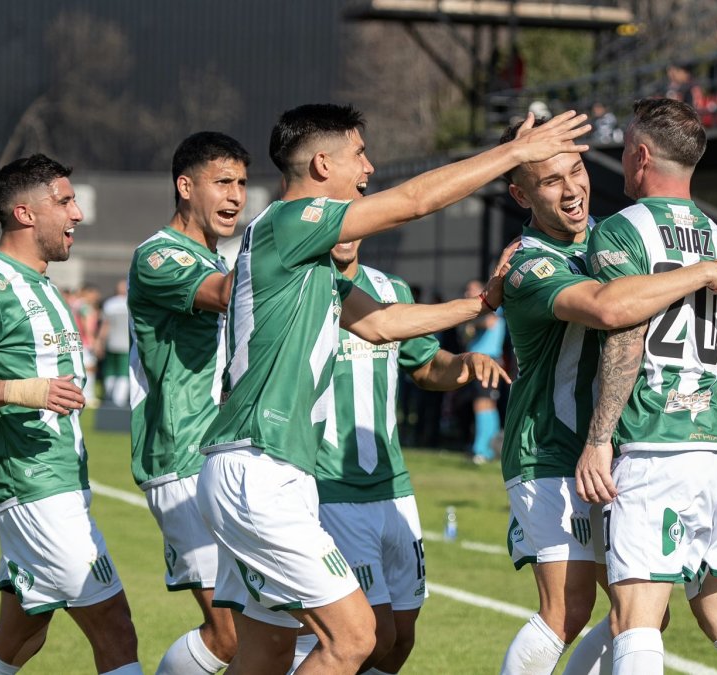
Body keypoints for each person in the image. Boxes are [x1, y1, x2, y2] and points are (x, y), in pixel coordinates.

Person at [196, 103, 593, 675]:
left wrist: (482, 304)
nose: (369, 167)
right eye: (360, 154)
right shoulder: (289, 222)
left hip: (268, 469)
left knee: (266, 652)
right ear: (323, 163)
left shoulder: (306, 256)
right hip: (258, 468)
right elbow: (413, 203)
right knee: (356, 638)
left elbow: (380, 324)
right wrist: (514, 152)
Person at [494, 115, 717, 675]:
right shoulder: (529, 263)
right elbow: (614, 308)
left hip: (624, 447)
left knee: (642, 617)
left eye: (577, 170)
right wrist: (712, 271)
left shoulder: (619, 232)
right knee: (569, 610)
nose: (572, 188)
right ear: (520, 195)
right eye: (550, 181)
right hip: (555, 450)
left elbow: (686, 278)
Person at [577, 97, 717, 675]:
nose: (621, 163)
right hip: (713, 451)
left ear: (642, 157)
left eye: (623, 152)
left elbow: (625, 334)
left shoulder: (623, 230)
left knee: (635, 620)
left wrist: (599, 438)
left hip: (652, 447)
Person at [0, 154, 142, 675]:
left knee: (19, 638)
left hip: (59, 482)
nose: (77, 214)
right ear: (24, 213)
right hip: (35, 489)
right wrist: (23, 390)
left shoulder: (41, 283)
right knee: (116, 628)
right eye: (64, 201)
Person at [293, 237, 511, 674]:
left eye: (354, 218)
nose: (346, 233)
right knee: (366, 634)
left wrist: (465, 363)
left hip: (394, 487)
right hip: (331, 487)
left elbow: (426, 365)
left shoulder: (391, 289)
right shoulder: (302, 287)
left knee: (403, 635)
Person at [127, 131, 250, 675]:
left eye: (243, 183)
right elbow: (223, 294)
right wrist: (297, 250)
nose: (236, 196)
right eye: (222, 182)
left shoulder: (216, 257)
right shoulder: (157, 256)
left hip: (224, 457)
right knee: (227, 635)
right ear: (185, 186)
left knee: (267, 623)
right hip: (179, 457)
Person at [460, 278, 508, 464]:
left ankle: (482, 449)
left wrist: (471, 324)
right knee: (485, 404)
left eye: (472, 290)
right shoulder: (474, 313)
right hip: (477, 361)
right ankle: (490, 447)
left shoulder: (490, 307)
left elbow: (489, 322)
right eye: (466, 290)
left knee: (482, 404)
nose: (467, 294)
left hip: (488, 360)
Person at [97, 280, 130, 407]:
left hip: (112, 343)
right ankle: (119, 400)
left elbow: (105, 326)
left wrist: (100, 342)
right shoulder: (131, 303)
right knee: (123, 372)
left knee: (110, 371)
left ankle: (109, 397)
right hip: (126, 344)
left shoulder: (109, 303)